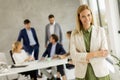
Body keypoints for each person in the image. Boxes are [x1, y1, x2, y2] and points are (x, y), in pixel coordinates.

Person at [70, 5, 110, 80]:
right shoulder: (74, 33)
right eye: (83, 16)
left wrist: (82, 56)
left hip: (100, 72)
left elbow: (104, 53)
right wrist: (95, 54)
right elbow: (73, 55)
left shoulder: (100, 31)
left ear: (91, 15)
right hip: (82, 74)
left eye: (88, 15)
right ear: (79, 18)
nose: (87, 18)